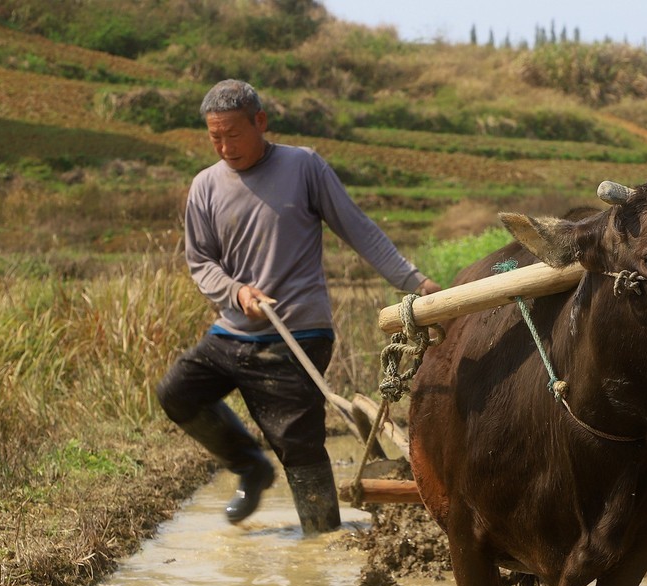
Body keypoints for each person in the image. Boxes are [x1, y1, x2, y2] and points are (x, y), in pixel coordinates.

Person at [157, 79, 440, 533]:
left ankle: (321, 538)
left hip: (298, 331)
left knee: (296, 441)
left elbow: (359, 229)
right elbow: (201, 262)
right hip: (233, 330)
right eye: (215, 137)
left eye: (233, 134)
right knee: (177, 392)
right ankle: (250, 465)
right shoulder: (205, 185)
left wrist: (417, 283)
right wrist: (237, 293)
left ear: (261, 122)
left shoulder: (303, 166)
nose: (225, 147)